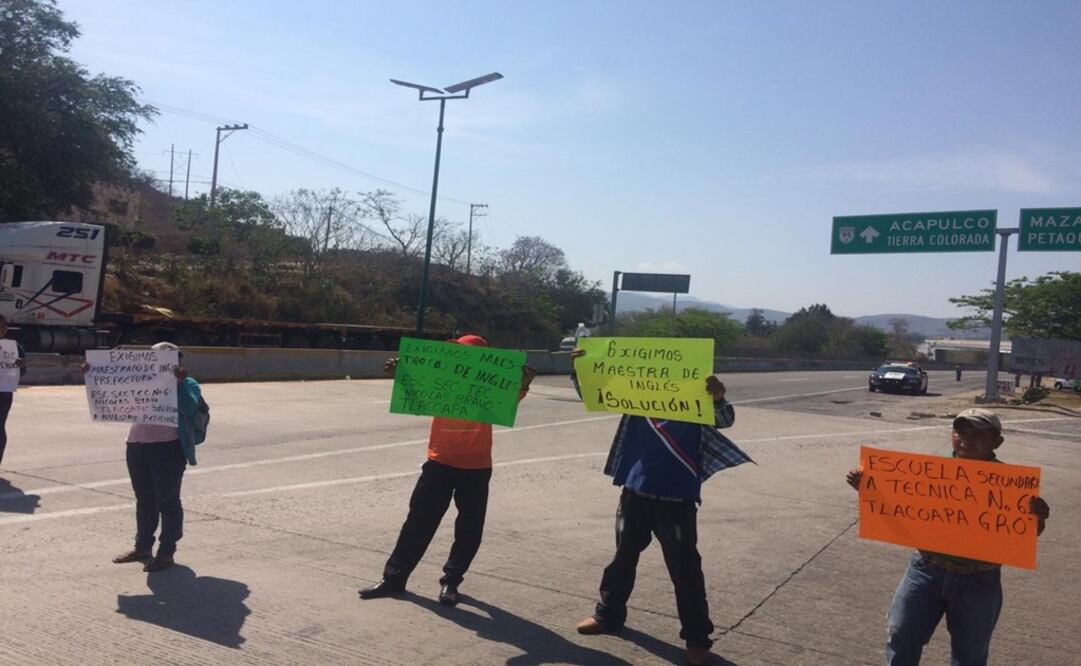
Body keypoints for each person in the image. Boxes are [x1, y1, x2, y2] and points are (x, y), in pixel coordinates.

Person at [574, 348, 753, 666]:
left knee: (685, 572)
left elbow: (725, 420)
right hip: (635, 492)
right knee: (622, 560)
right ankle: (608, 616)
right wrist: (581, 367)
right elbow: (598, 392)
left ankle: (697, 640)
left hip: (677, 499)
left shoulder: (695, 401)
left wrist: (717, 397)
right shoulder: (635, 397)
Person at [846, 408, 1050, 666]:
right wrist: (867, 485)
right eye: (960, 432)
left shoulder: (1014, 485)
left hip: (979, 579)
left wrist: (1038, 517)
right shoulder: (926, 473)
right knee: (901, 637)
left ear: (997, 442)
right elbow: (896, 504)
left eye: (978, 434)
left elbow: (1028, 534)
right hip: (925, 569)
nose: (966, 439)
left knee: (969, 656)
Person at [360, 334, 536, 606]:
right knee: (417, 523)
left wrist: (522, 384)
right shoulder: (442, 381)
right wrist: (403, 374)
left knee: (468, 529)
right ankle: (394, 579)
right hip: (438, 463)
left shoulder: (490, 386)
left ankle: (451, 581)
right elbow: (417, 395)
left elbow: (510, 399)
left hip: (476, 468)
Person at [85, 342, 202, 572]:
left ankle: (167, 551)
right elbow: (108, 393)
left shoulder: (188, 383)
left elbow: (190, 408)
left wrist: (178, 384)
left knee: (168, 501)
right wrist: (92, 374)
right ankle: (143, 547)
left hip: (168, 449)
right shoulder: (140, 379)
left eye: (169, 359)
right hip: (136, 447)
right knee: (144, 500)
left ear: (178, 362)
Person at [0, 315, 27, 468]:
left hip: (3, 393)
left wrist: (20, 366)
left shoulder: (14, 348)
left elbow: (21, 374)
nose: (0, 330)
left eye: (2, 327)